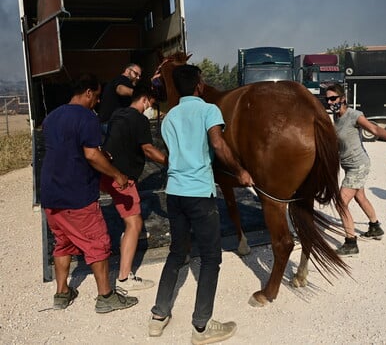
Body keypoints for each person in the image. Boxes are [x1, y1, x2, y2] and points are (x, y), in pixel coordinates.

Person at [148, 64, 254, 344]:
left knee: (176, 253)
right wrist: (241, 171)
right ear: (199, 85)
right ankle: (201, 327)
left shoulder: (169, 117)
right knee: (210, 258)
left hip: (174, 193)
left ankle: (158, 316)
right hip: (199, 193)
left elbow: (173, 153)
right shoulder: (209, 110)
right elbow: (218, 145)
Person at [40, 73, 138, 313]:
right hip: (76, 193)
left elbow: (67, 150)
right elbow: (91, 155)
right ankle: (106, 296)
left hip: (51, 193)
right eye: (96, 96)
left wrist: (101, 156)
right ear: (87, 93)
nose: (97, 101)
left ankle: (62, 293)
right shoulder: (87, 117)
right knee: (97, 242)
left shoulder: (52, 117)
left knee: (62, 243)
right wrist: (117, 174)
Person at [325, 84, 386, 256]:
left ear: (343, 98)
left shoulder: (354, 115)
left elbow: (375, 129)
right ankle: (375, 227)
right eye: (327, 99)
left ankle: (351, 243)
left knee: (341, 202)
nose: (330, 102)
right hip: (349, 165)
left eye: (333, 98)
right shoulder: (336, 117)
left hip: (358, 165)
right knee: (360, 197)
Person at [100, 84, 168, 290]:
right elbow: (148, 149)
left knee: (130, 219)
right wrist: (172, 161)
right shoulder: (140, 119)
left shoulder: (118, 114)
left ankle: (128, 247)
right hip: (122, 177)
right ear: (145, 99)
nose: (151, 108)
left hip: (106, 172)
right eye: (152, 103)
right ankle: (124, 278)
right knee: (134, 223)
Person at [98, 63, 142, 133]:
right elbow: (120, 89)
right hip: (112, 124)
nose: (138, 78)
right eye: (136, 74)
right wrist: (139, 94)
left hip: (106, 123)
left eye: (139, 76)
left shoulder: (115, 80)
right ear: (127, 71)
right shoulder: (124, 79)